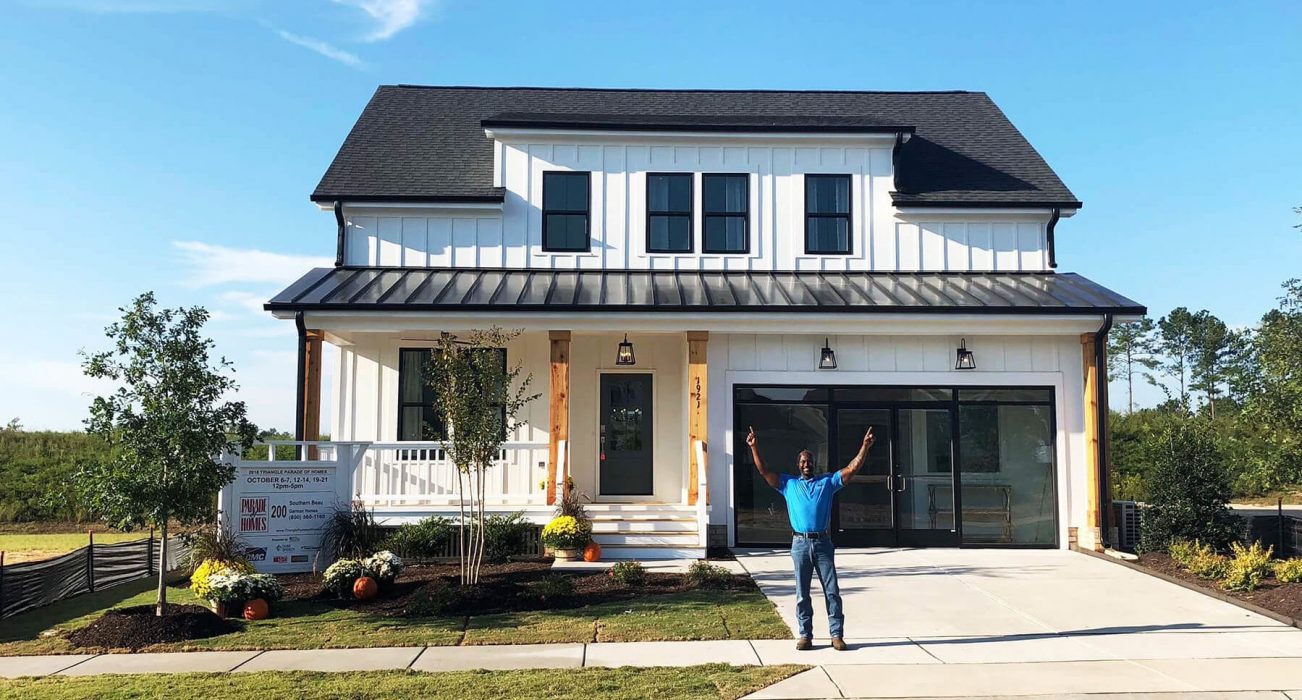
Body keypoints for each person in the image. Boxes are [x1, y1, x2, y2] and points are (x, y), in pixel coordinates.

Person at [746, 424, 875, 651]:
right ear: (798, 465)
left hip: (823, 543)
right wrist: (754, 447)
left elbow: (851, 469)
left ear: (814, 464)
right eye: (803, 461)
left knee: (832, 591)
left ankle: (836, 635)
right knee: (801, 593)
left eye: (810, 461)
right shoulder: (788, 484)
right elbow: (764, 471)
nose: (807, 464)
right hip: (800, 544)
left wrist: (864, 447)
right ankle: (805, 635)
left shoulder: (827, 483)